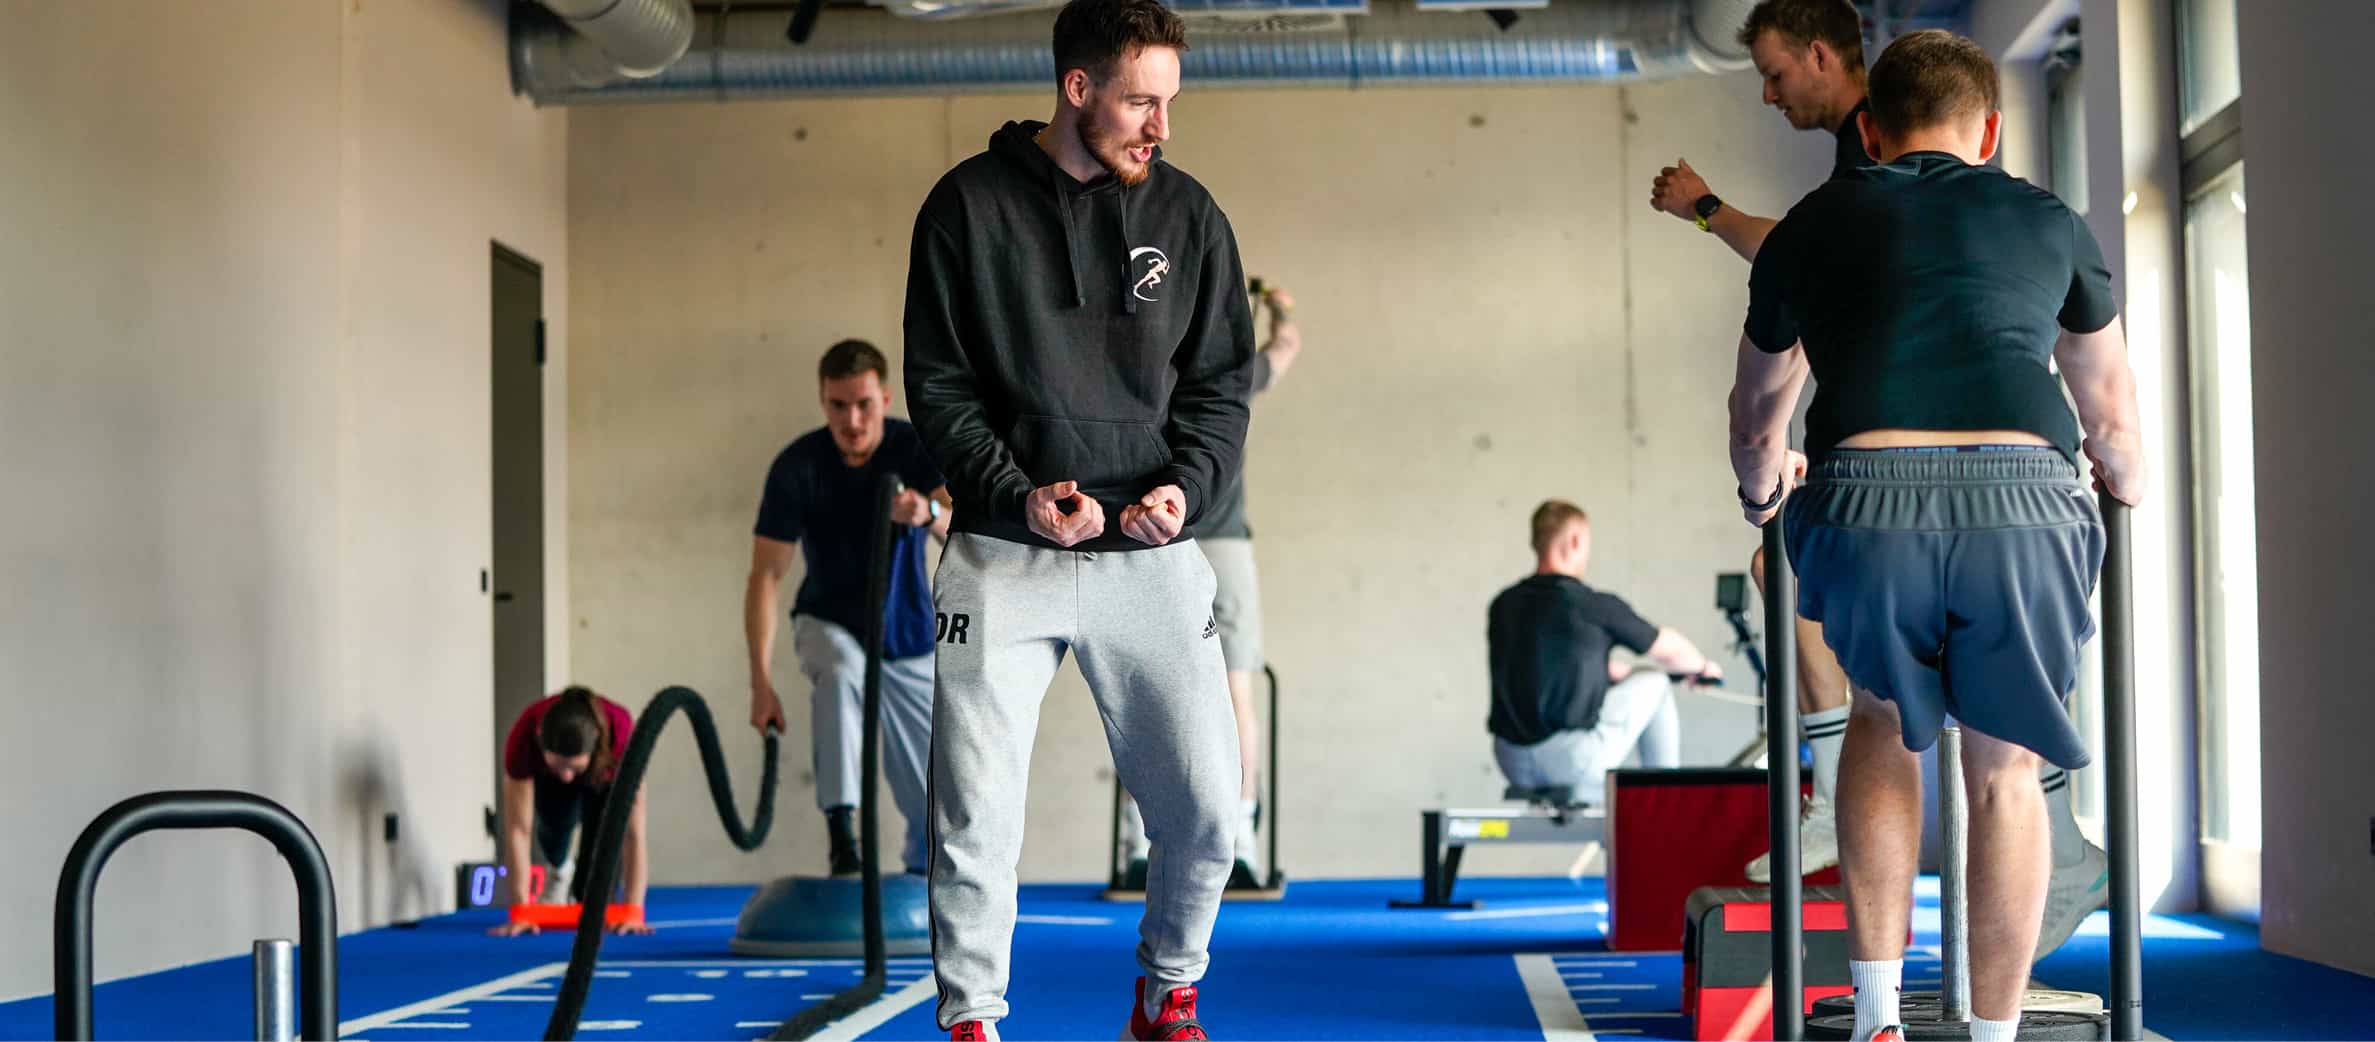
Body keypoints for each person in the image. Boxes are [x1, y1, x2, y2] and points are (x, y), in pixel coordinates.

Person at [1652, 1, 2108, 959]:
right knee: (1992, 735)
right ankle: (2008, 913)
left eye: (1776, 74)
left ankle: (1880, 859)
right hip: (2001, 477)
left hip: (1906, 471)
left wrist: (1705, 209)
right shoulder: (2009, 198)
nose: (1771, 96)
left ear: (1832, 68)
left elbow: (1799, 261)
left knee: (1842, 643)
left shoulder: (1880, 153)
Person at [901, 0, 1255, 1037]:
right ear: (1076, 90)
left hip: (1148, 554)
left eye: (1168, 103)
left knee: (1204, 810)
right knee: (974, 816)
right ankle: (970, 1018)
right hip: (1004, 556)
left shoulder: (1190, 218)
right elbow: (939, 389)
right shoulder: (964, 208)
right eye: (1142, 101)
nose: (1160, 125)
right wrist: (1015, 492)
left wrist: (1184, 489)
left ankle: (1166, 990)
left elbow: (1220, 389)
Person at [1120, 282, 1303, 886]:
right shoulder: (1227, 372)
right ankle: (1238, 837)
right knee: (1231, 693)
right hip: (1182, 538)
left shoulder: (1140, 370)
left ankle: (1141, 841)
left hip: (1156, 537)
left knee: (1142, 694)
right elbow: (1287, 344)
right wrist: (1278, 304)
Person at [747, 339, 951, 878]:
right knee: (839, 674)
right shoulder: (798, 466)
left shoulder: (913, 447)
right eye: (838, 405)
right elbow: (766, 575)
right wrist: (760, 683)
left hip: (907, 634)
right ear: (823, 402)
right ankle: (843, 837)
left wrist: (925, 510)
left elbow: (964, 524)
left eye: (863, 404)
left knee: (931, 795)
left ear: (883, 398)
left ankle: (918, 874)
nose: (852, 419)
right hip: (829, 620)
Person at [1488, 501, 1723, 804]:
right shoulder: (1590, 605)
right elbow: (1672, 652)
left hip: (1512, 761)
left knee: (1641, 678)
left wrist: (1626, 675)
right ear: (1575, 541)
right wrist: (1703, 667)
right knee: (1656, 683)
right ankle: (1668, 801)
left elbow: (1561, 668)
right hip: (1570, 763)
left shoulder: (1504, 605)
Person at [488, 686, 653, 936]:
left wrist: (633, 910)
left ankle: (586, 888)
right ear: (540, 737)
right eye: (560, 765)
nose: (567, 776)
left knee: (598, 866)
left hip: (605, 778)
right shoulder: (524, 737)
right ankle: (559, 870)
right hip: (547, 780)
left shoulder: (622, 735)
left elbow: (633, 833)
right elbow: (518, 830)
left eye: (574, 768)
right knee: (554, 832)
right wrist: (521, 910)